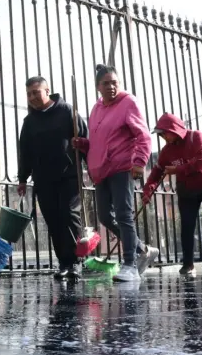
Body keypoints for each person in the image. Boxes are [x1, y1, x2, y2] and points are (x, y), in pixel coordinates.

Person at [72, 64, 159, 282]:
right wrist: (83, 144)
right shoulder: (96, 109)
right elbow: (97, 142)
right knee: (104, 217)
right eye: (106, 83)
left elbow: (143, 136)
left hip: (121, 168)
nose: (111, 87)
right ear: (97, 87)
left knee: (123, 214)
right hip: (100, 172)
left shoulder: (128, 102)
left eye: (114, 82)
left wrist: (139, 162)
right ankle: (142, 249)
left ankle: (129, 264)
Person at [17, 77, 87, 280]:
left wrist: (90, 166)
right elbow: (25, 151)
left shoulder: (67, 111)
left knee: (68, 215)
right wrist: (23, 178)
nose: (32, 97)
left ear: (47, 91)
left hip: (68, 175)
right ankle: (64, 262)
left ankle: (76, 262)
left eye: (35, 92)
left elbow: (84, 139)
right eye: (29, 94)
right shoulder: (29, 122)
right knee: (53, 219)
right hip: (43, 178)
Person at [143, 113, 202, 278]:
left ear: (174, 129)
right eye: (160, 134)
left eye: (164, 132)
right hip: (187, 191)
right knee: (187, 227)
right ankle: (188, 264)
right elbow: (156, 173)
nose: (162, 137)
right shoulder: (167, 151)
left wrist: (179, 170)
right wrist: (148, 190)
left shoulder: (195, 137)